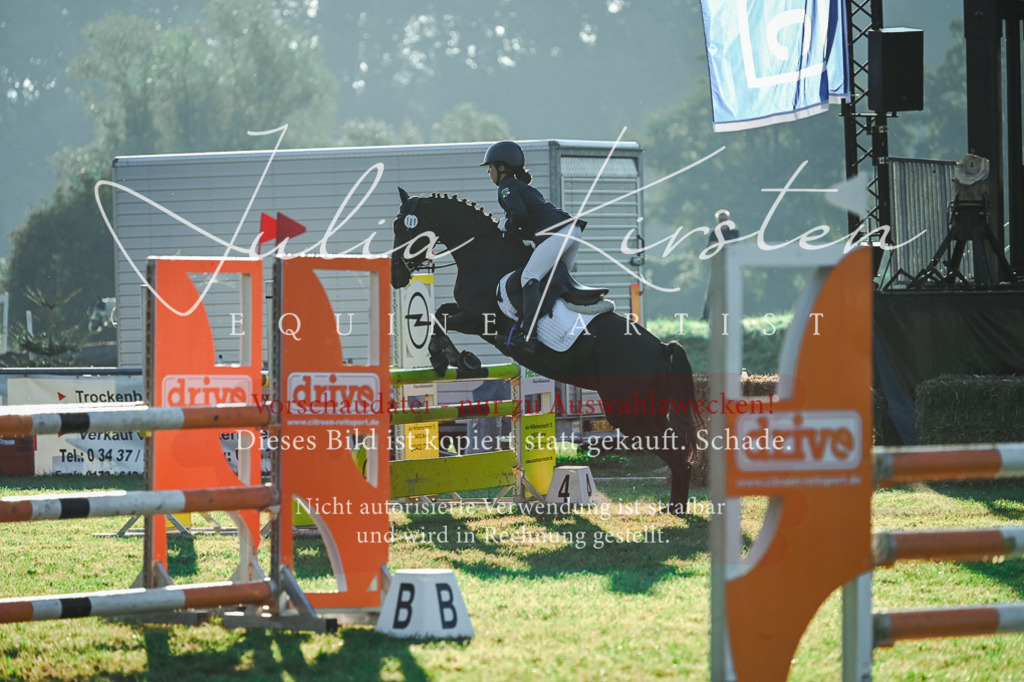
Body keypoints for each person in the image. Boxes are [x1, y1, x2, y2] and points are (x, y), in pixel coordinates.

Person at [481, 140, 586, 354]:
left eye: (490, 167)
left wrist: (504, 224)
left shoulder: (506, 186)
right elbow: (526, 222)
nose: (489, 172)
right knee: (555, 281)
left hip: (557, 233)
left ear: (502, 167)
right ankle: (561, 327)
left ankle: (528, 335)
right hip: (571, 230)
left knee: (529, 277)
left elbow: (519, 215)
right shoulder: (523, 187)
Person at [701, 209, 740, 321]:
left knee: (731, 291)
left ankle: (732, 316)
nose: (723, 221)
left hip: (730, 267)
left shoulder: (734, 232)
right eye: (721, 219)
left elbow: (734, 246)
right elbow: (710, 247)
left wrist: (720, 245)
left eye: (725, 219)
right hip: (717, 267)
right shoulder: (714, 233)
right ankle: (706, 316)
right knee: (711, 291)